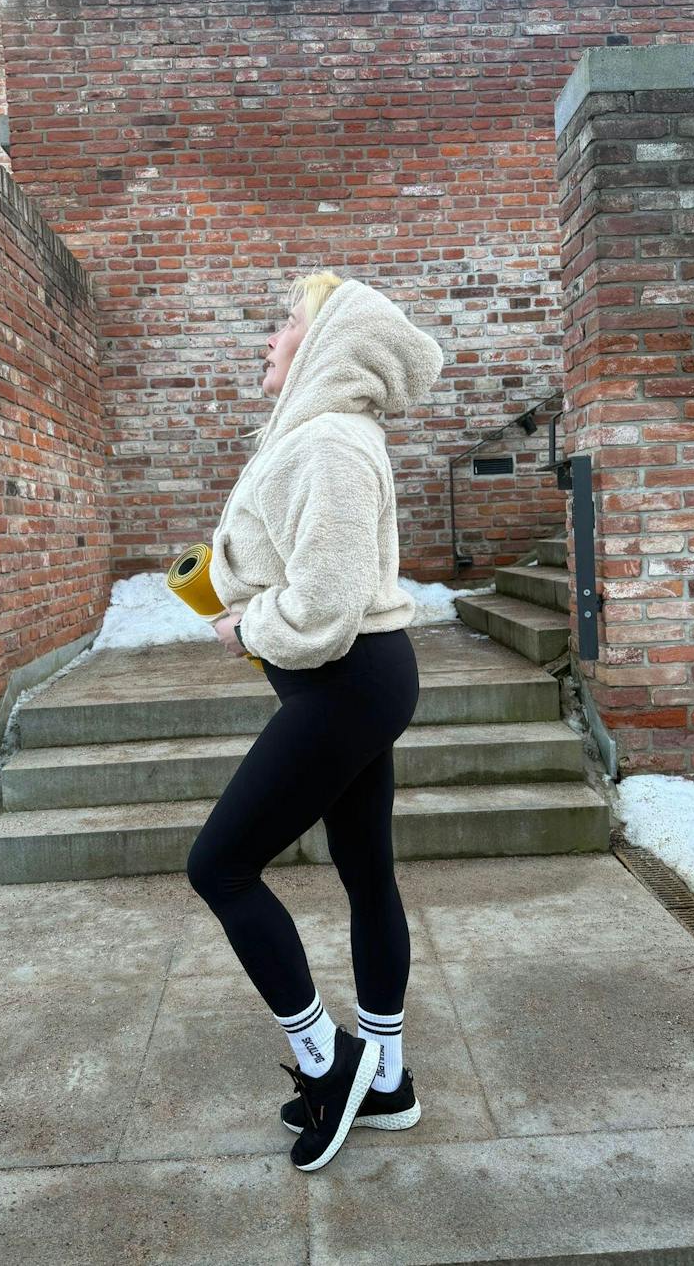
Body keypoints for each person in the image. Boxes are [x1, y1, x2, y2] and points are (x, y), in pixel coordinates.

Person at [186, 271, 445, 1173]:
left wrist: (245, 626)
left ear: (328, 341)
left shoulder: (330, 439)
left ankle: (331, 1063)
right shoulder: (325, 432)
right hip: (355, 679)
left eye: (287, 321)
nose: (270, 337)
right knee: (366, 872)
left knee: (219, 865)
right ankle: (388, 1080)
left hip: (345, 678)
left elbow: (325, 604)